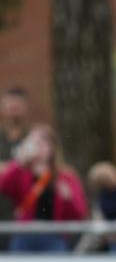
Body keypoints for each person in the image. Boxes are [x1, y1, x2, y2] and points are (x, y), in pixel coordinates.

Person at [0, 124, 87, 251]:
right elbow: (3, 186)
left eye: (42, 141)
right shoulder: (21, 172)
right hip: (24, 235)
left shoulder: (66, 177)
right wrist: (18, 162)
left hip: (54, 237)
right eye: (34, 142)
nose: (38, 146)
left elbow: (80, 213)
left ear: (52, 148)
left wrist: (69, 198)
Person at [0, 87, 31, 250]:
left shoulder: (34, 138)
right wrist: (18, 166)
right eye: (9, 103)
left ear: (26, 107)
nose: (13, 107)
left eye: (17, 104)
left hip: (23, 217)